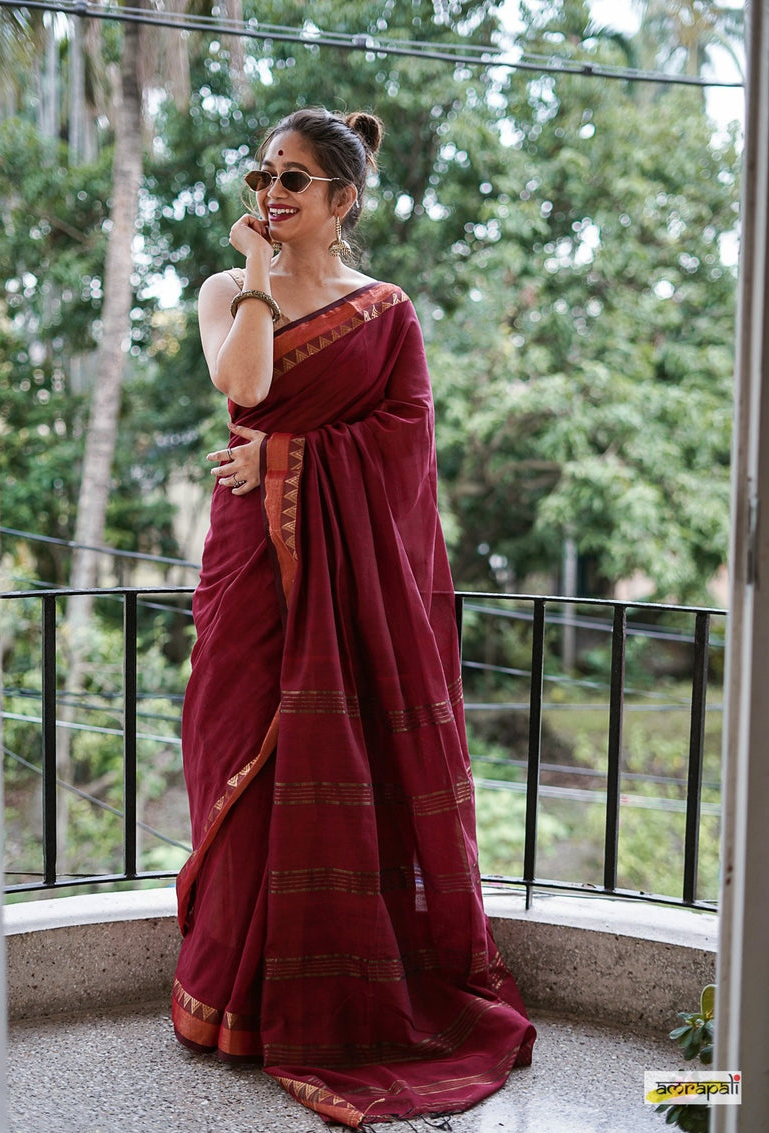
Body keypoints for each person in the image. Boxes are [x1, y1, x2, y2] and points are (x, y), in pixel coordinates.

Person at [172, 106, 535, 1128]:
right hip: (249, 566)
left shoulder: (385, 311)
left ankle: (326, 999)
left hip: (337, 568)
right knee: (237, 750)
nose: (272, 194)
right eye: (264, 176)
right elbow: (240, 382)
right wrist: (251, 277)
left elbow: (403, 438)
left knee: (333, 765)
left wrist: (285, 460)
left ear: (344, 199)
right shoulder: (222, 290)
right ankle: (232, 998)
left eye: (295, 180)